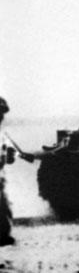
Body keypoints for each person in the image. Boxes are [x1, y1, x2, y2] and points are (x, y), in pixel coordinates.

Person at [1, 97, 18, 246]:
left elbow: (9, 156)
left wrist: (10, 155)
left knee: (3, 207)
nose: (2, 117)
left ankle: (3, 235)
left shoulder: (2, 134)